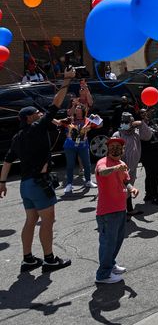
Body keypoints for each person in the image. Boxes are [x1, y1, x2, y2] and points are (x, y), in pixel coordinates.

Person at [0, 68, 76, 273]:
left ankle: (28, 260)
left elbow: (7, 161)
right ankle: (50, 259)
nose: (39, 113)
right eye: (36, 113)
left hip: (25, 186)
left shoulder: (17, 137)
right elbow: (55, 104)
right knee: (48, 221)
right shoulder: (37, 128)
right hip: (38, 183)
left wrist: (2, 183)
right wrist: (67, 81)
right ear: (29, 118)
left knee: (30, 220)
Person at [94, 137, 138, 283]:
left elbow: (125, 180)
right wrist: (115, 168)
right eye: (112, 146)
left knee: (117, 240)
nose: (115, 149)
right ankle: (103, 275)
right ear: (108, 148)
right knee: (108, 242)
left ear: (123, 149)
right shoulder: (103, 162)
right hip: (107, 211)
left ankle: (110, 265)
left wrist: (132, 189)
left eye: (118, 146)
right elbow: (102, 172)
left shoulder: (122, 163)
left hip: (120, 208)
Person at [113, 112, 152, 217]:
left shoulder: (136, 133)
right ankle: (119, 214)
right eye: (125, 122)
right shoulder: (118, 135)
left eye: (129, 122)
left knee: (128, 190)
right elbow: (112, 154)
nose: (127, 124)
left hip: (132, 168)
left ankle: (129, 210)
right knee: (121, 191)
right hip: (121, 170)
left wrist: (141, 123)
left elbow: (148, 136)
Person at [56, 103, 100, 194]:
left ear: (83, 112)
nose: (78, 112)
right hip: (70, 146)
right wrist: (47, 116)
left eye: (80, 110)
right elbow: (58, 122)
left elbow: (100, 125)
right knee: (70, 165)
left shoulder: (88, 120)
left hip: (83, 145)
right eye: (77, 110)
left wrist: (97, 118)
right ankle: (69, 184)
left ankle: (88, 181)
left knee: (87, 164)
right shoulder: (69, 120)